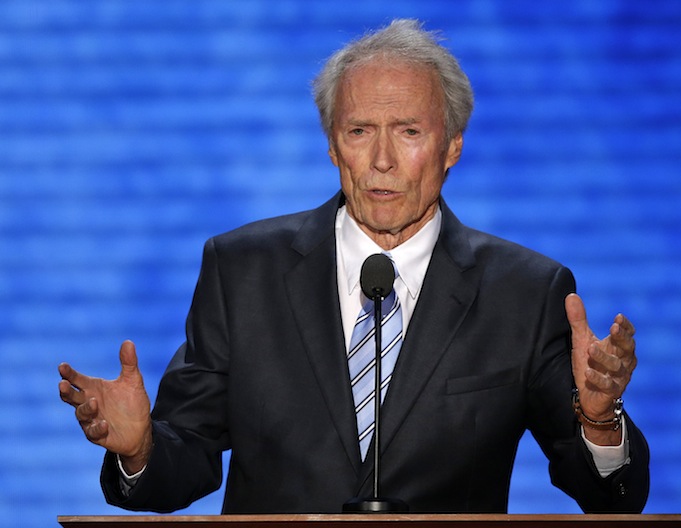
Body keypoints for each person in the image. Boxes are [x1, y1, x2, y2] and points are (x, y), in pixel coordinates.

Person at [58, 19, 649, 514]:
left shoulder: (526, 291)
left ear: (452, 147)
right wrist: (139, 450)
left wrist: (599, 423)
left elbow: (609, 498)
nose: (383, 160)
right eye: (360, 131)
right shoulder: (241, 271)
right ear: (333, 146)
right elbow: (184, 459)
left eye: (409, 131)